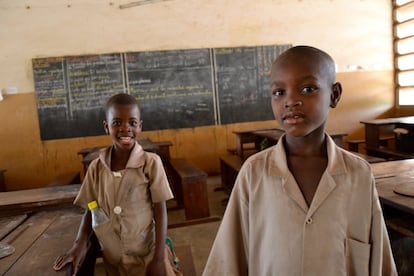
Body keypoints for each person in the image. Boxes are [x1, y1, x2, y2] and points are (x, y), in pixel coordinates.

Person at [203, 46, 397, 275]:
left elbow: (378, 261)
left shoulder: (358, 174)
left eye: (307, 89)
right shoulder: (255, 173)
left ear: (334, 95)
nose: (291, 101)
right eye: (279, 92)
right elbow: (227, 261)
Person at [53, 93, 180, 276]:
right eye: (117, 123)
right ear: (107, 126)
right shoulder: (97, 167)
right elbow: (92, 206)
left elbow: (160, 210)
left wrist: (159, 259)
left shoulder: (151, 163)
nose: (125, 128)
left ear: (140, 126)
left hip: (148, 255)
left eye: (132, 123)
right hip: (114, 259)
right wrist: (79, 243)